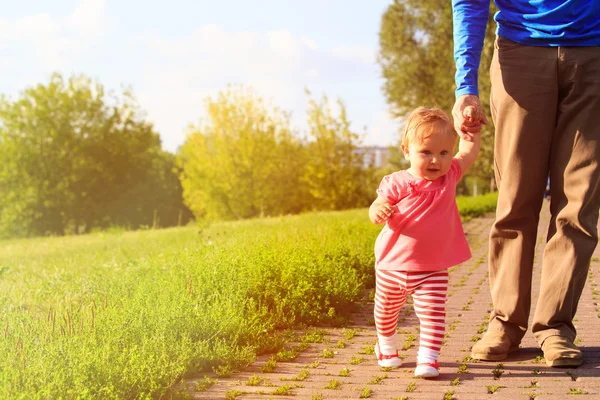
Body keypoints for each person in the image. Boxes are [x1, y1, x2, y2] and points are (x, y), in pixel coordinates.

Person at [452, 0, 600, 367]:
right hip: (520, 52)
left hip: (594, 53)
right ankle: (505, 322)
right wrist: (465, 84)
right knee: (515, 198)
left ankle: (555, 326)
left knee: (578, 203)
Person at [369, 106, 480, 378]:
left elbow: (467, 153)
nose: (435, 160)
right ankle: (386, 346)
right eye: (426, 152)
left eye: (443, 153)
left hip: (432, 267)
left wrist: (472, 132)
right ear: (406, 150)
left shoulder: (450, 175)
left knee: (433, 315)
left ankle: (428, 358)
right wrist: (378, 211)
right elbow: (377, 204)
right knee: (385, 311)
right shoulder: (396, 182)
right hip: (392, 265)